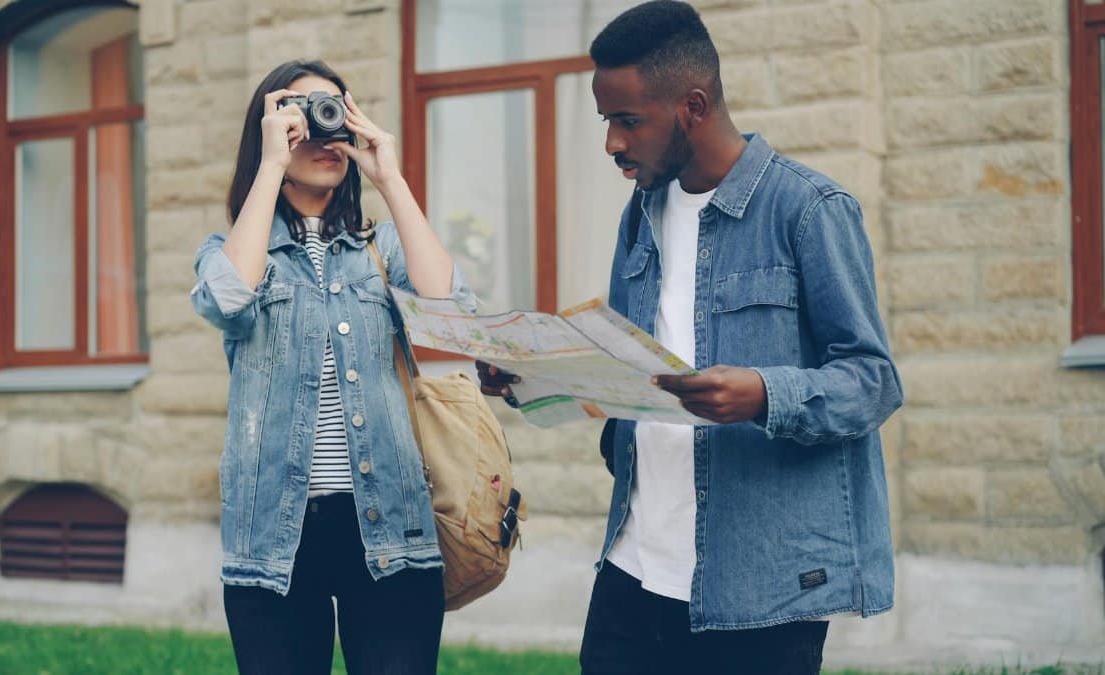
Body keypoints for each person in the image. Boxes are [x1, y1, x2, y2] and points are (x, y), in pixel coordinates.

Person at [477, 2, 903, 673]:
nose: (612, 142)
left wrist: (763, 394)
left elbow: (873, 381)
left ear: (693, 105)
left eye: (627, 120)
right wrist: (536, 380)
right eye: (606, 121)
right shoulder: (639, 218)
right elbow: (629, 369)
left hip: (758, 589)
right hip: (632, 569)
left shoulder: (810, 211)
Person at [191, 59, 474, 675]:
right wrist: (270, 165)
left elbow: (450, 314)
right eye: (302, 111)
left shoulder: (383, 247)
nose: (325, 132)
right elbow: (227, 299)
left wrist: (390, 178)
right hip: (274, 541)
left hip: (389, 529)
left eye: (337, 112)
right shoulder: (232, 250)